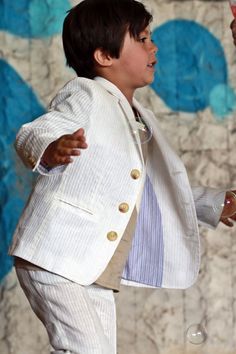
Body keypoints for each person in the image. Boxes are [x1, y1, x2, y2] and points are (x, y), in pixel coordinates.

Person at [9, 0, 236, 353]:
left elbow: (156, 189)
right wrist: (50, 147)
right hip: (57, 253)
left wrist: (215, 204)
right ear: (104, 56)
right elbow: (34, 132)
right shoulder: (87, 94)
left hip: (95, 267)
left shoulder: (139, 118)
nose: (154, 46)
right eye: (143, 38)